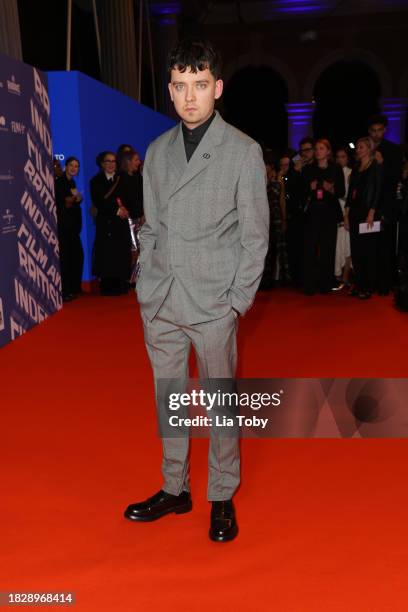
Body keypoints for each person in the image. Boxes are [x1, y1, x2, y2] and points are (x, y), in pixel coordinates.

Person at [124, 39, 269, 542]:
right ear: (169, 90)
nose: (191, 97)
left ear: (218, 88)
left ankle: (222, 494)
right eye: (181, 87)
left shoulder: (243, 151)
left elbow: (256, 238)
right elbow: (154, 225)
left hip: (212, 304)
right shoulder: (157, 151)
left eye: (200, 86)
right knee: (170, 400)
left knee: (220, 402)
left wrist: (236, 302)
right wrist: (147, 279)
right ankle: (175, 487)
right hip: (162, 299)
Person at [302, 139, 345, 295]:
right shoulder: (308, 169)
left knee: (328, 249)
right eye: (316, 148)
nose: (318, 151)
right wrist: (309, 188)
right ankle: (309, 285)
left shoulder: (336, 169)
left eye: (321, 148)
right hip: (312, 213)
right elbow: (301, 193)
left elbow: (341, 192)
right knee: (310, 248)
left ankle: (325, 284)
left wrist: (331, 189)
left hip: (329, 214)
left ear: (328, 151)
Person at [368, 114, 403, 294]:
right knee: (371, 245)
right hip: (368, 206)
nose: (376, 134)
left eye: (379, 130)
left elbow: (395, 177)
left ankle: (385, 284)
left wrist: (381, 164)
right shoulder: (364, 149)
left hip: (386, 206)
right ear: (369, 132)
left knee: (386, 245)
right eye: (373, 131)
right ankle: (371, 282)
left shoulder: (393, 150)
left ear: (385, 130)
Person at [344, 137, 382, 299]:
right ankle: (359, 284)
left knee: (368, 251)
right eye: (357, 147)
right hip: (355, 213)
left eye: (361, 147)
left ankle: (368, 287)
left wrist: (372, 212)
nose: (357, 150)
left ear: (369, 149)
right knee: (357, 251)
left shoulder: (375, 167)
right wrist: (346, 214)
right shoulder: (356, 168)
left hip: (369, 213)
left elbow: (378, 191)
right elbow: (350, 195)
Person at [90, 151, 132, 295]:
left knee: (121, 253)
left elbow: (130, 197)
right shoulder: (95, 181)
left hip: (121, 224)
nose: (111, 164)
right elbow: (100, 202)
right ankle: (108, 287)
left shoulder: (123, 179)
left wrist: (126, 209)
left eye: (113, 161)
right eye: (107, 161)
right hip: (106, 223)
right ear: (102, 164)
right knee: (107, 255)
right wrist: (116, 210)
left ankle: (122, 284)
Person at [55, 156, 84, 302]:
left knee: (76, 257)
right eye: (71, 165)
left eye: (77, 166)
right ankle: (65, 291)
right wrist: (75, 199)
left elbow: (72, 200)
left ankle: (74, 287)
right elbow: (64, 202)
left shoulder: (72, 182)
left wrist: (76, 198)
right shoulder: (59, 182)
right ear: (66, 166)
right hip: (63, 227)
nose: (74, 168)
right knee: (66, 259)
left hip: (72, 228)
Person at [259, 156, 289, 289]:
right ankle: (265, 280)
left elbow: (282, 201)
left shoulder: (279, 181)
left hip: (276, 215)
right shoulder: (259, 180)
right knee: (266, 249)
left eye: (268, 165)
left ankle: (283, 278)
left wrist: (284, 219)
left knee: (280, 247)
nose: (266, 168)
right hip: (263, 217)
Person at [279, 151, 304, 287]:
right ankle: (291, 277)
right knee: (288, 249)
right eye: (281, 165)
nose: (284, 167)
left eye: (286, 164)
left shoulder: (295, 176)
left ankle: (298, 277)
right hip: (283, 218)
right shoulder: (280, 178)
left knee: (297, 248)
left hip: (296, 217)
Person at [333, 147, 353, 290]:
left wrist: (346, 215)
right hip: (334, 210)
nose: (340, 159)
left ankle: (345, 278)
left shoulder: (351, 173)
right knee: (336, 246)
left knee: (347, 246)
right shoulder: (333, 172)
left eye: (343, 156)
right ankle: (337, 277)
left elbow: (351, 196)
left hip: (347, 210)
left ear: (347, 158)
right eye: (338, 156)